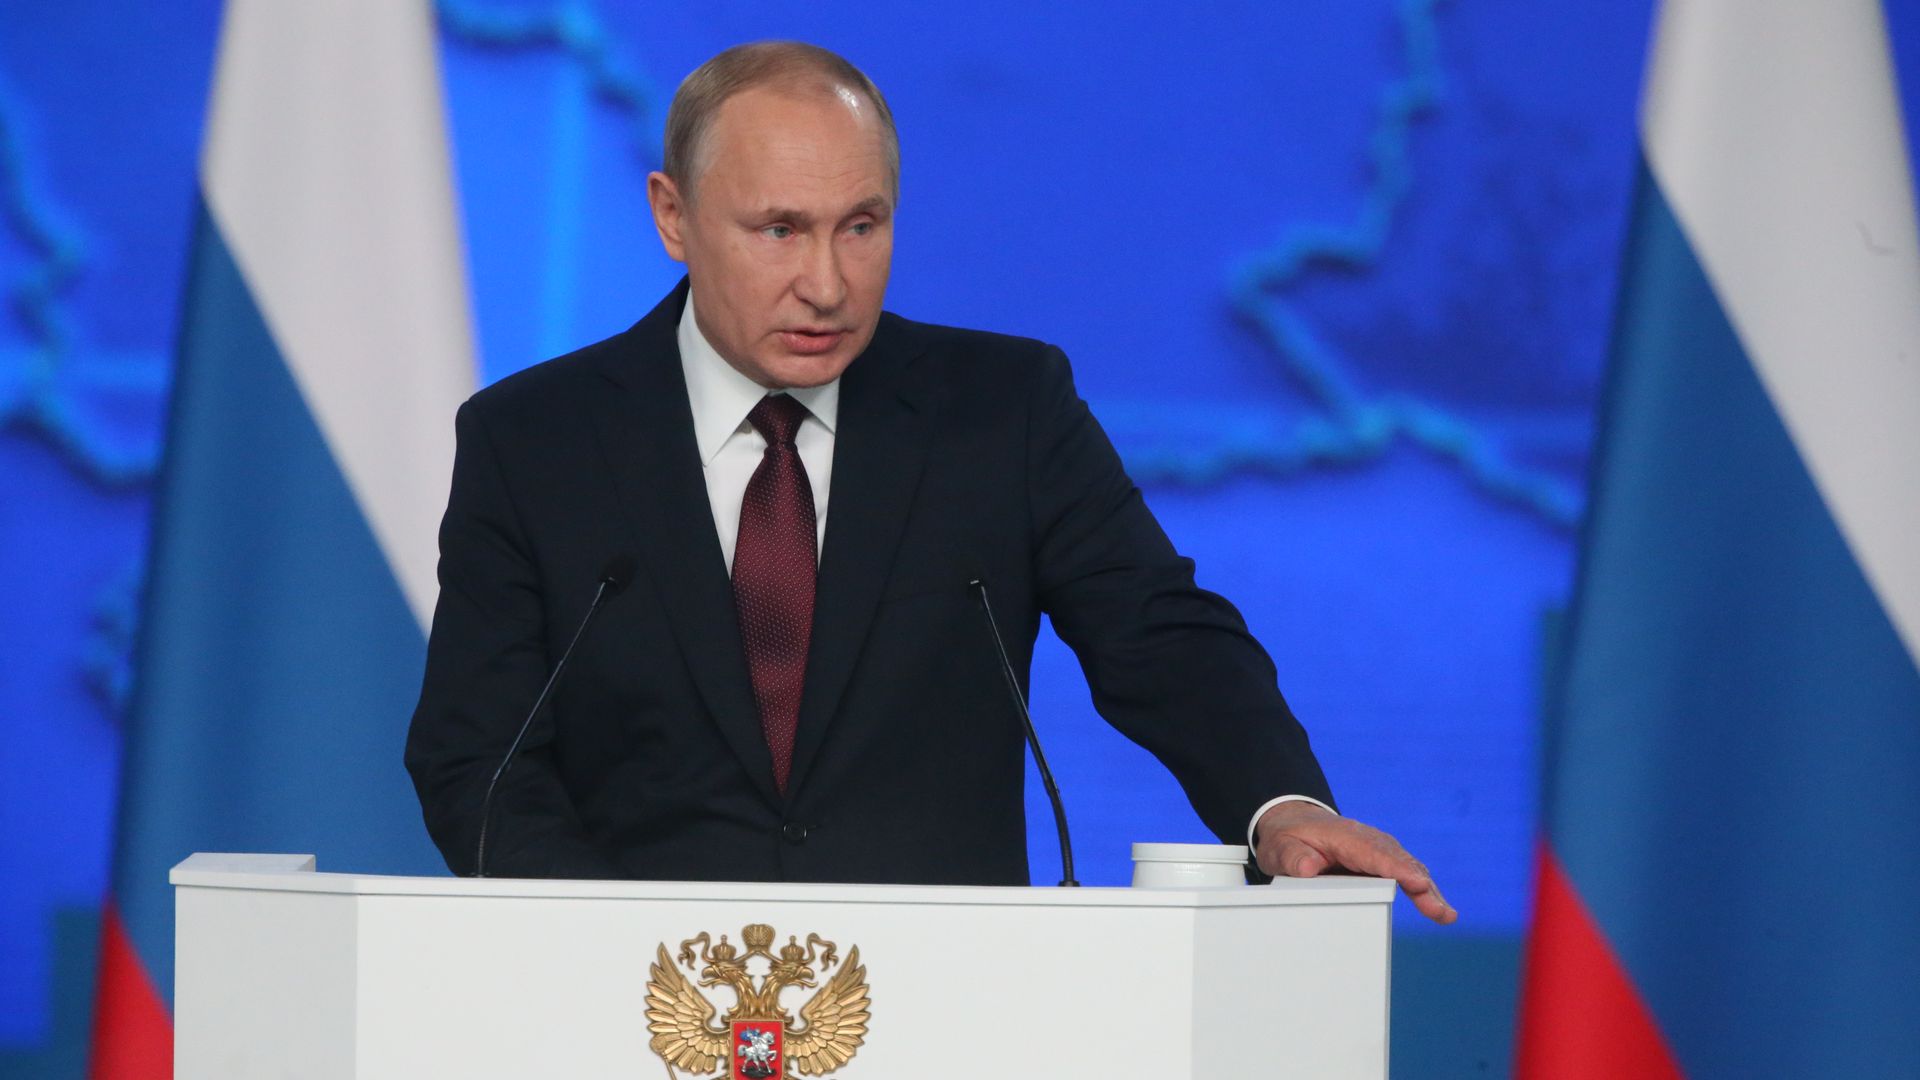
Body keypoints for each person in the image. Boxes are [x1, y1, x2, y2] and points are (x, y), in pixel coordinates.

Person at [404, 41, 1454, 924]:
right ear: (673, 217)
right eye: (780, 230)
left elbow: (1161, 635)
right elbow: (474, 760)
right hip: (635, 1016)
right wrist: (624, 952)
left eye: (861, 226)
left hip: (949, 1006)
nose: (827, 283)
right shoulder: (536, 439)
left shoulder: (1003, 411)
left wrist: (1280, 807)